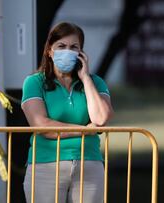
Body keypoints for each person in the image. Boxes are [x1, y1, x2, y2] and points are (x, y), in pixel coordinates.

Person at [21, 22, 114, 203]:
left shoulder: (96, 82)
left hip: (89, 164)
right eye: (61, 46)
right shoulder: (34, 82)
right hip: (45, 165)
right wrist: (85, 130)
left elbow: (101, 119)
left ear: (81, 53)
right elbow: (43, 126)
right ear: (49, 50)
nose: (67, 51)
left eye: (74, 47)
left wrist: (85, 78)